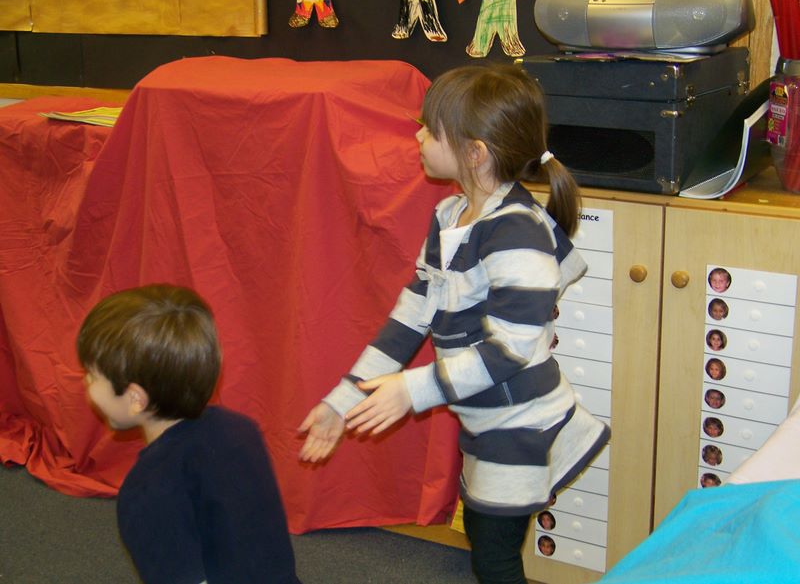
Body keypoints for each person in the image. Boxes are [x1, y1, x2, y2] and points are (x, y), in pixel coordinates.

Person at [298, 64, 610, 584]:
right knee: (486, 542)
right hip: (486, 420)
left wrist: (413, 390)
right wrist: (343, 400)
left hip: (521, 424)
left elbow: (510, 348)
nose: (418, 137)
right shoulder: (450, 216)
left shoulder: (517, 233)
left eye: (430, 129)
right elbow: (409, 318)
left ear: (475, 152)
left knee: (494, 560)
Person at [77, 284, 300, 584]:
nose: (85, 384)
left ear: (135, 400)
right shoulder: (241, 429)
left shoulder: (146, 491)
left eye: (92, 376)